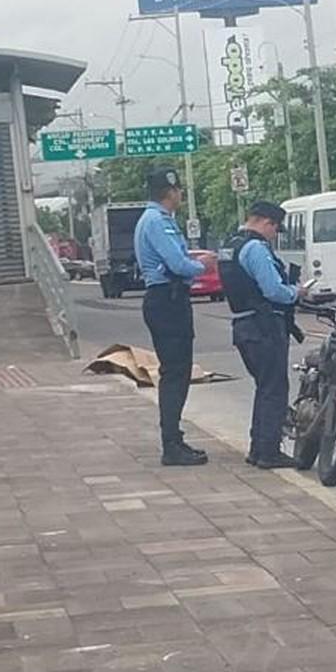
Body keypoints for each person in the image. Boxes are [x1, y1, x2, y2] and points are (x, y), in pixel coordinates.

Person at [218, 201, 306, 469]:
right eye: (274, 229)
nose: (273, 235)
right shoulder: (255, 248)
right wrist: (297, 292)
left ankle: (258, 448)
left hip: (243, 325)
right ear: (266, 222)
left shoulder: (229, 245)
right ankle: (268, 451)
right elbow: (272, 290)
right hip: (263, 325)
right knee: (275, 389)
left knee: (265, 387)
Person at [134, 167, 208, 467]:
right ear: (171, 192)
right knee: (176, 373)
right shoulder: (156, 221)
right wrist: (202, 265)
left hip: (167, 300)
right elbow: (178, 264)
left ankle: (174, 439)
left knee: (176, 371)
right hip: (168, 300)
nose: (180, 196)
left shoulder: (156, 219)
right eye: (178, 191)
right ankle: (171, 444)